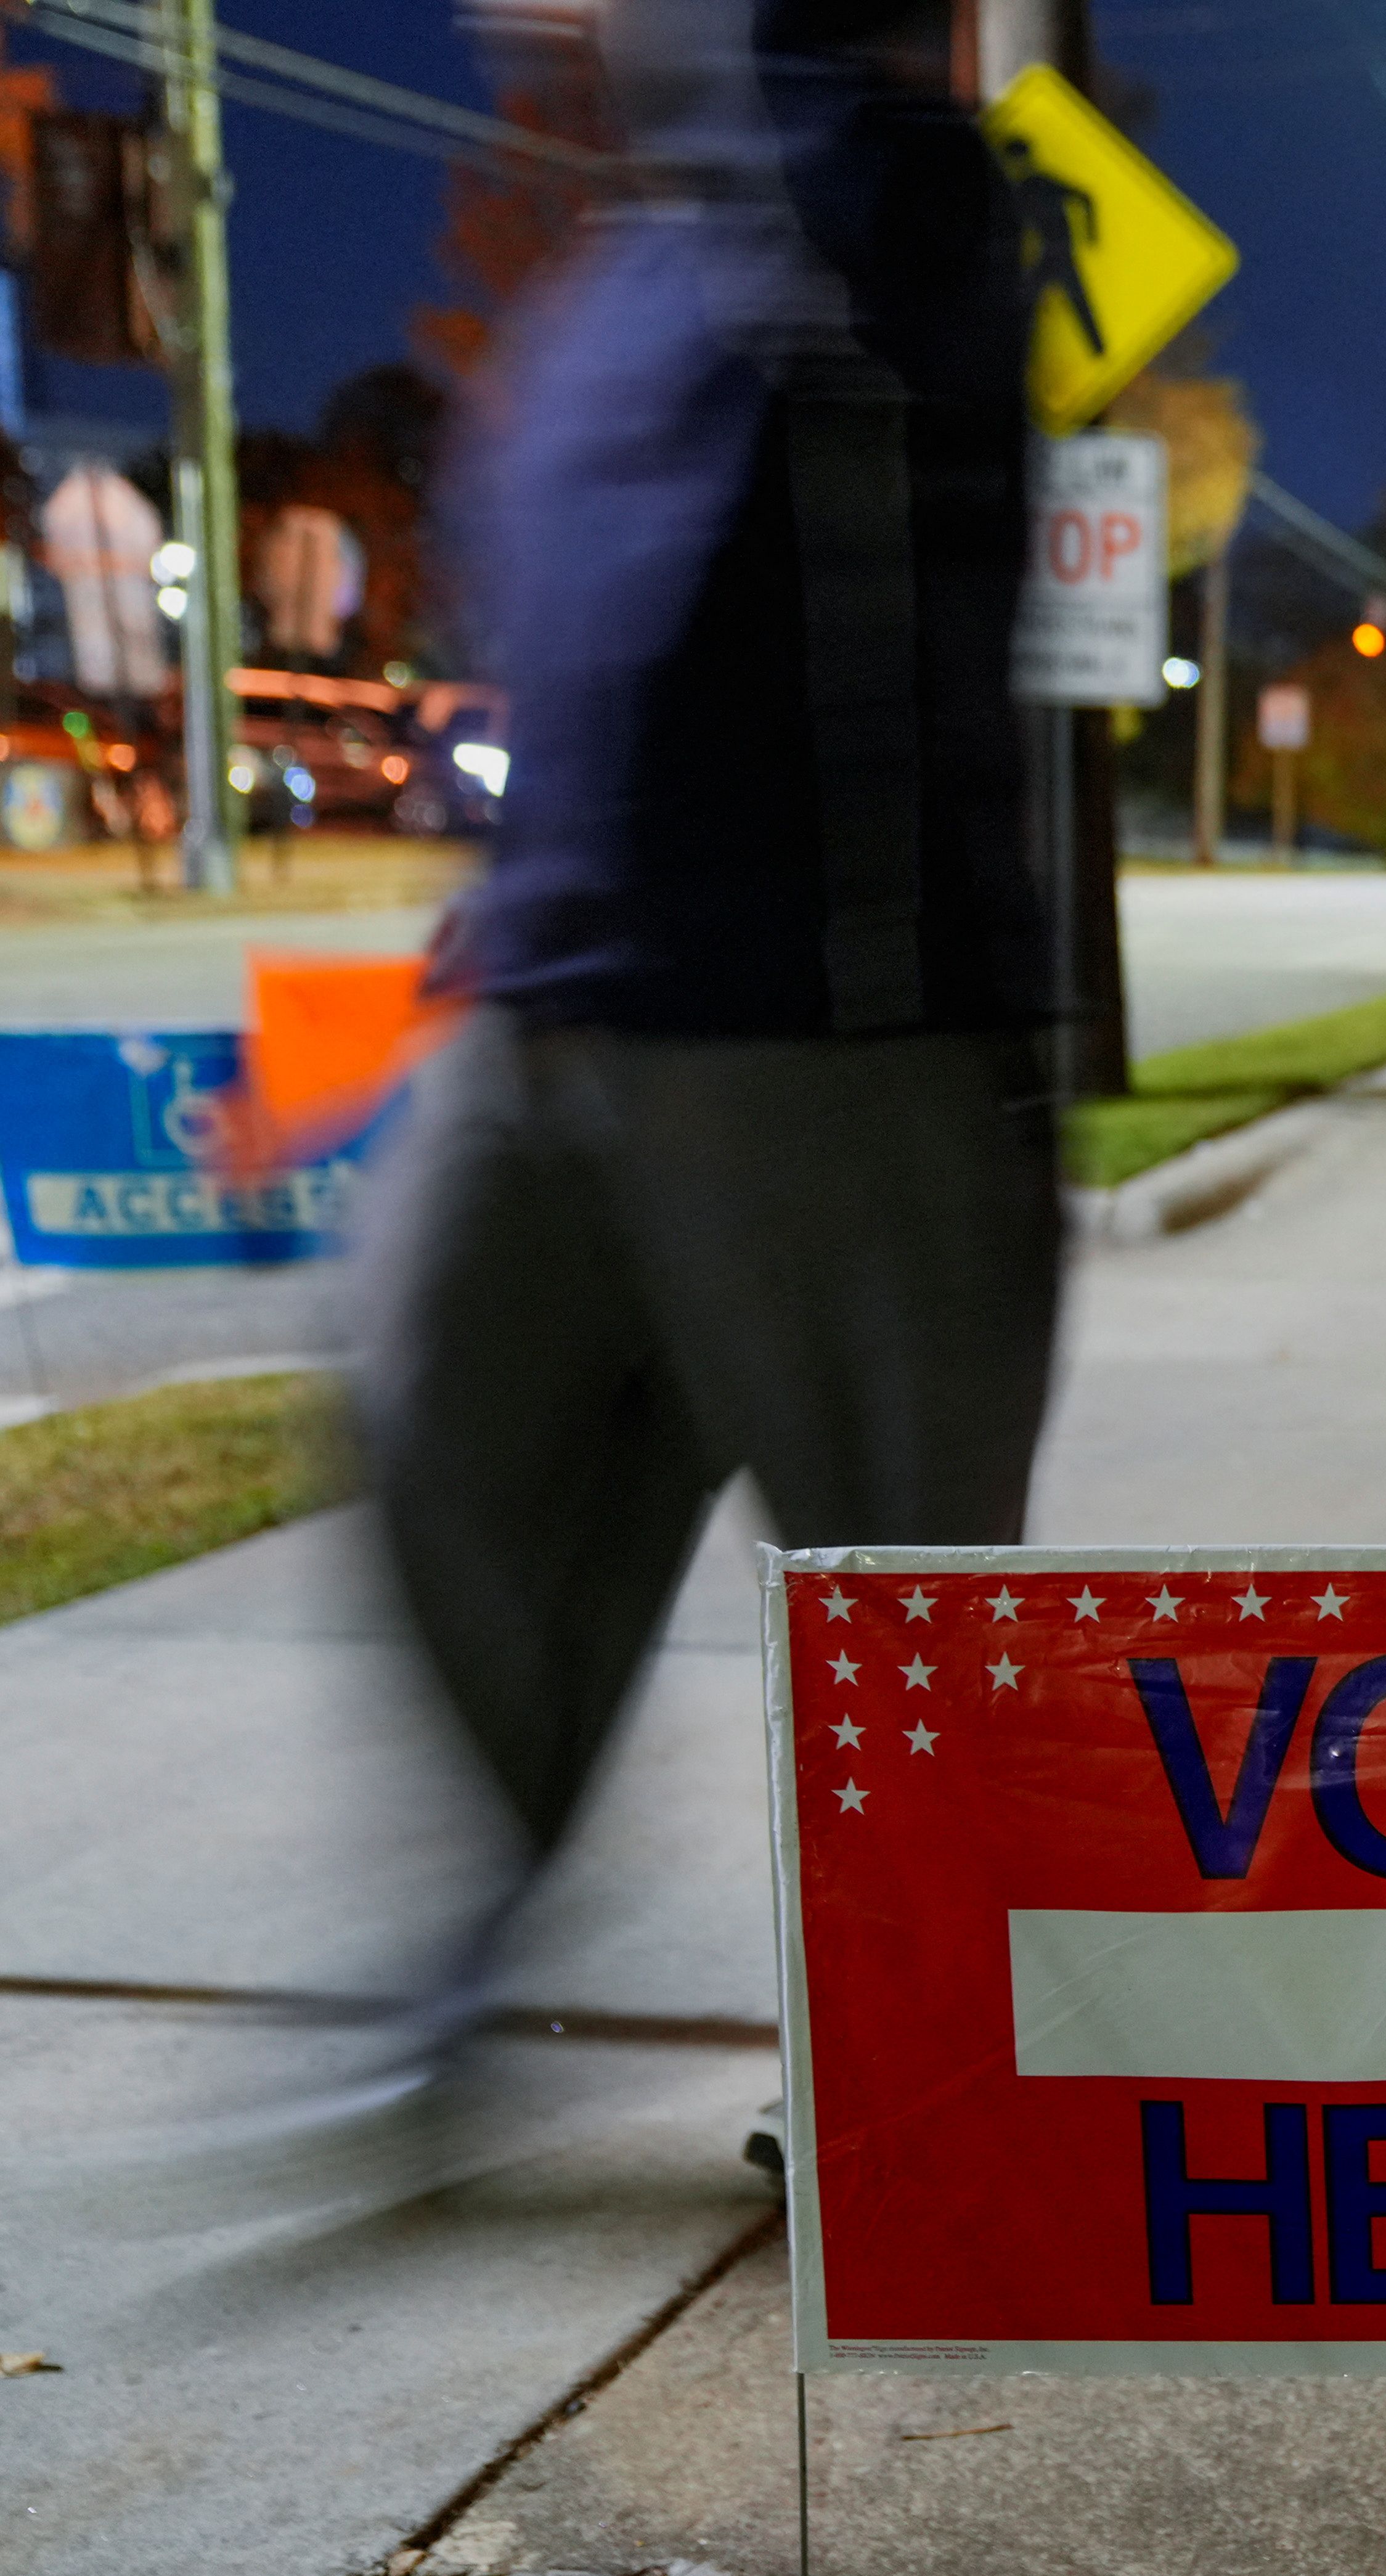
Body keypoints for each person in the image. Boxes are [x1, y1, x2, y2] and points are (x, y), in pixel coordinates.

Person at [311, 0, 1056, 2167]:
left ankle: (921, 2093)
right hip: (559, 1012)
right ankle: (460, 1969)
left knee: (886, 1611)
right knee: (443, 1439)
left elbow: (834, 368)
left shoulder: (882, 185)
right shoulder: (620, 250)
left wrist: (716, 41)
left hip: (833, 1028)